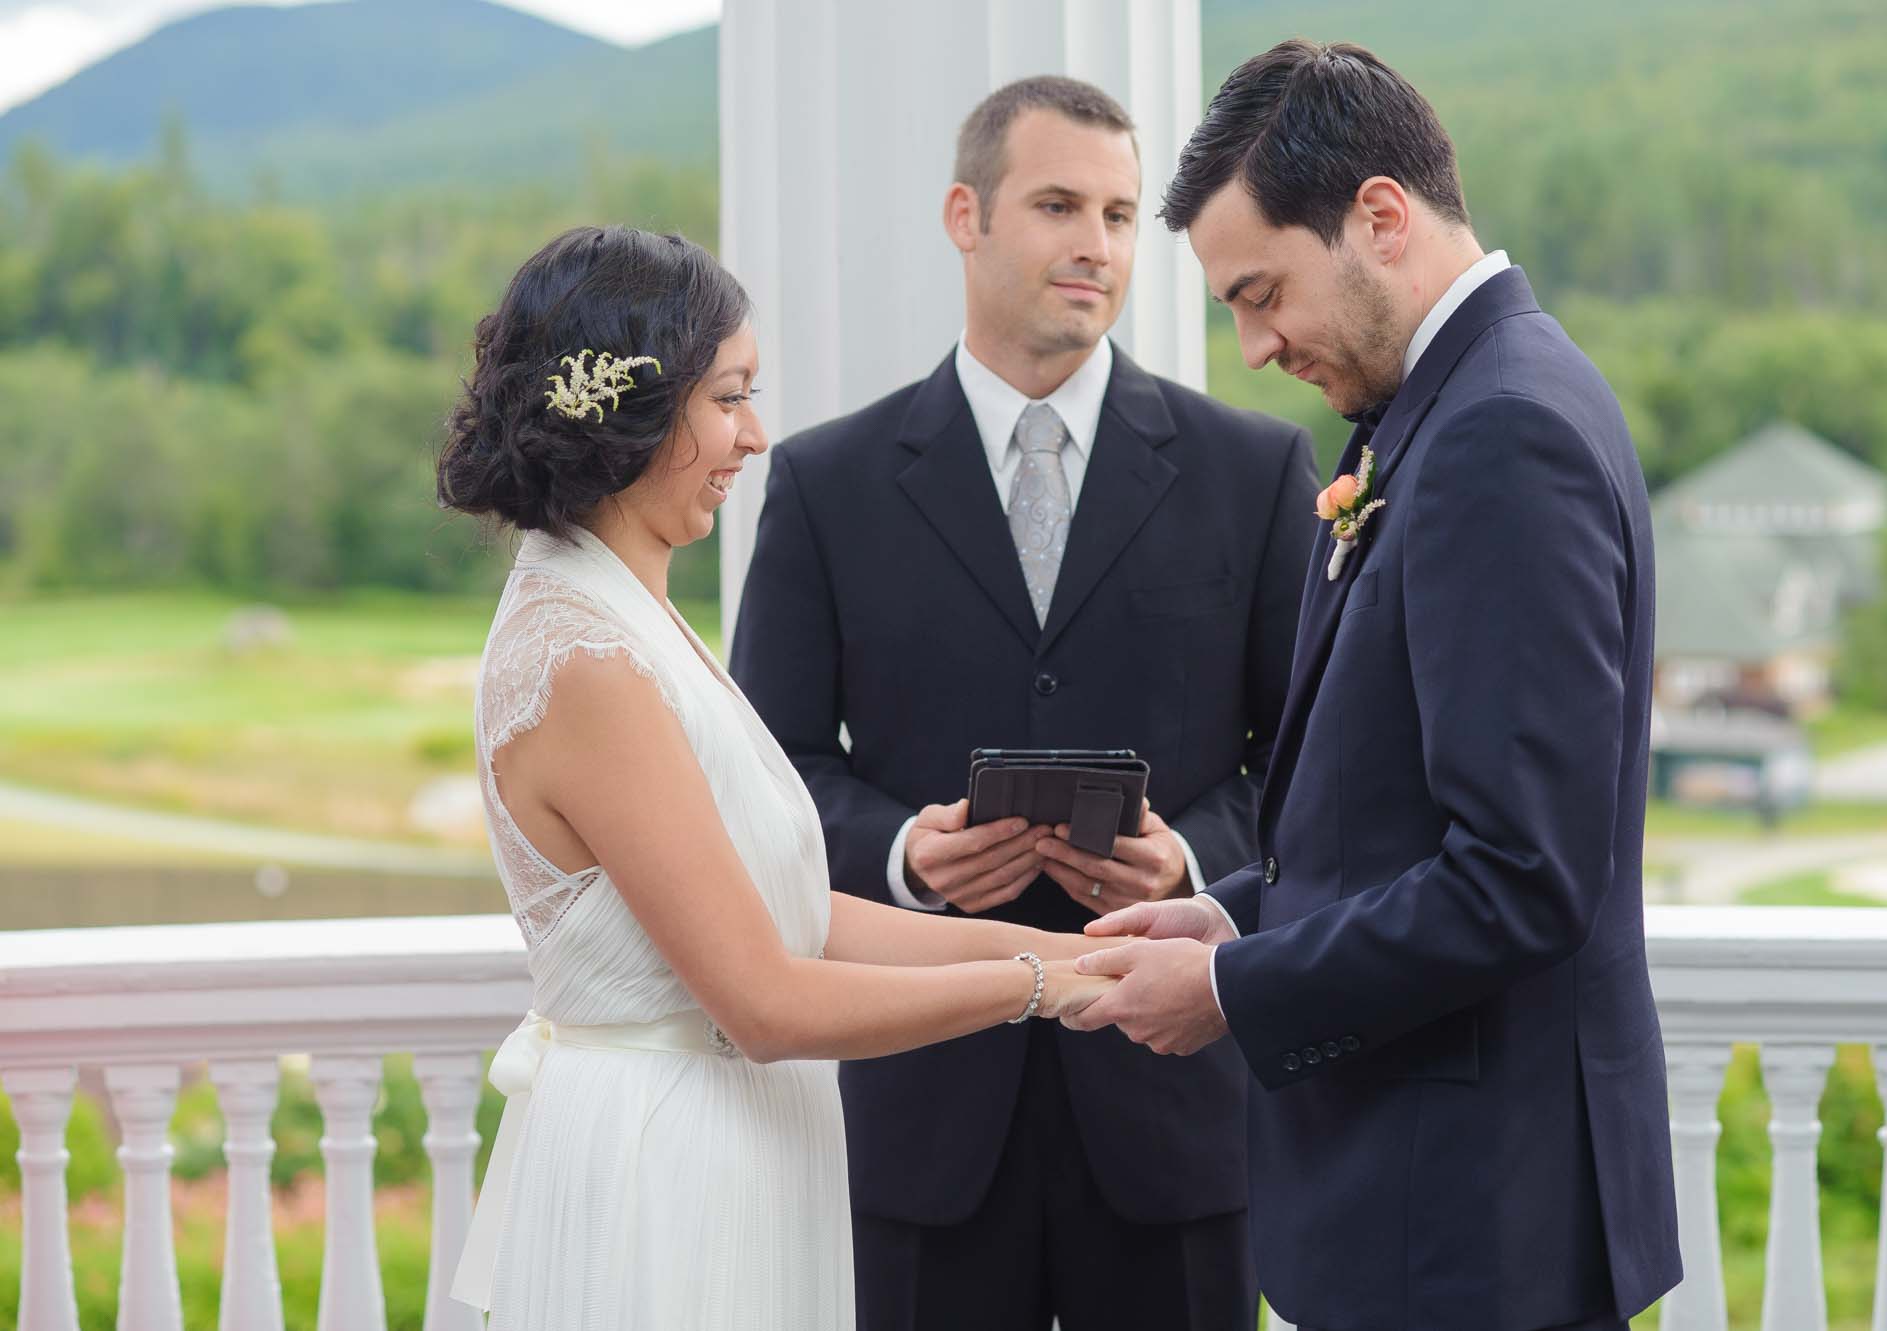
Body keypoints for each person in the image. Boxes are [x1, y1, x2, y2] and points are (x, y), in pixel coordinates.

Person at [1072, 41, 1682, 1331]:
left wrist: (1237, 991)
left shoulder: (1499, 433)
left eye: (1261, 291)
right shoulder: (1441, 407)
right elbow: (1390, 815)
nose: (1249, 347)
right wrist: (1235, 916)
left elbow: (1520, 874)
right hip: (1427, 1209)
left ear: (1380, 219)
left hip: (1469, 1227)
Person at [434, 224, 1114, 1331]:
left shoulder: (627, 611)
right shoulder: (585, 656)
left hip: (732, 1143)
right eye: (728, 398)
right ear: (633, 413)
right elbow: (763, 998)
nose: (753, 435)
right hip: (666, 1168)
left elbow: (796, 915)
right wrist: (1037, 991)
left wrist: (1069, 949)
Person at [732, 78, 1317, 1331]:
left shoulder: (1255, 473)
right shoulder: (823, 484)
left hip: (1175, 1118)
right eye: (1056, 204)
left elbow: (1311, 761)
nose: (1094, 245)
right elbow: (766, 769)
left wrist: (1192, 859)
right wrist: (902, 852)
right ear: (966, 215)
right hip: (918, 1118)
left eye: (1116, 212)